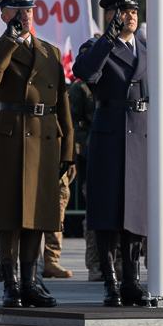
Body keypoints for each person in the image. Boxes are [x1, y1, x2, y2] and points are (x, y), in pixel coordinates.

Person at [0, 0, 73, 309]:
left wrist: (68, 150)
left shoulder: (50, 52)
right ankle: (11, 284)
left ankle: (30, 283)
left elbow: (62, 103)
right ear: (4, 15)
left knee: (38, 213)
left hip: (44, 137)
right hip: (11, 137)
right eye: (18, 10)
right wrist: (9, 40)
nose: (25, 15)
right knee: (8, 214)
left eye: (29, 10)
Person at [72, 0, 149, 306]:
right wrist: (107, 38)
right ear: (110, 16)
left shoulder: (146, 50)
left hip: (141, 136)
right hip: (110, 136)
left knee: (136, 212)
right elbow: (85, 73)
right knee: (106, 212)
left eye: (134, 11)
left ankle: (131, 280)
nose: (130, 16)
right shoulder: (99, 47)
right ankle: (111, 281)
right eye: (124, 11)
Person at [67, 72, 102, 280]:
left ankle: (117, 263)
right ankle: (95, 264)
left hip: (119, 152)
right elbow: (69, 122)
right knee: (95, 213)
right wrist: (88, 140)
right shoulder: (81, 87)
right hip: (91, 156)